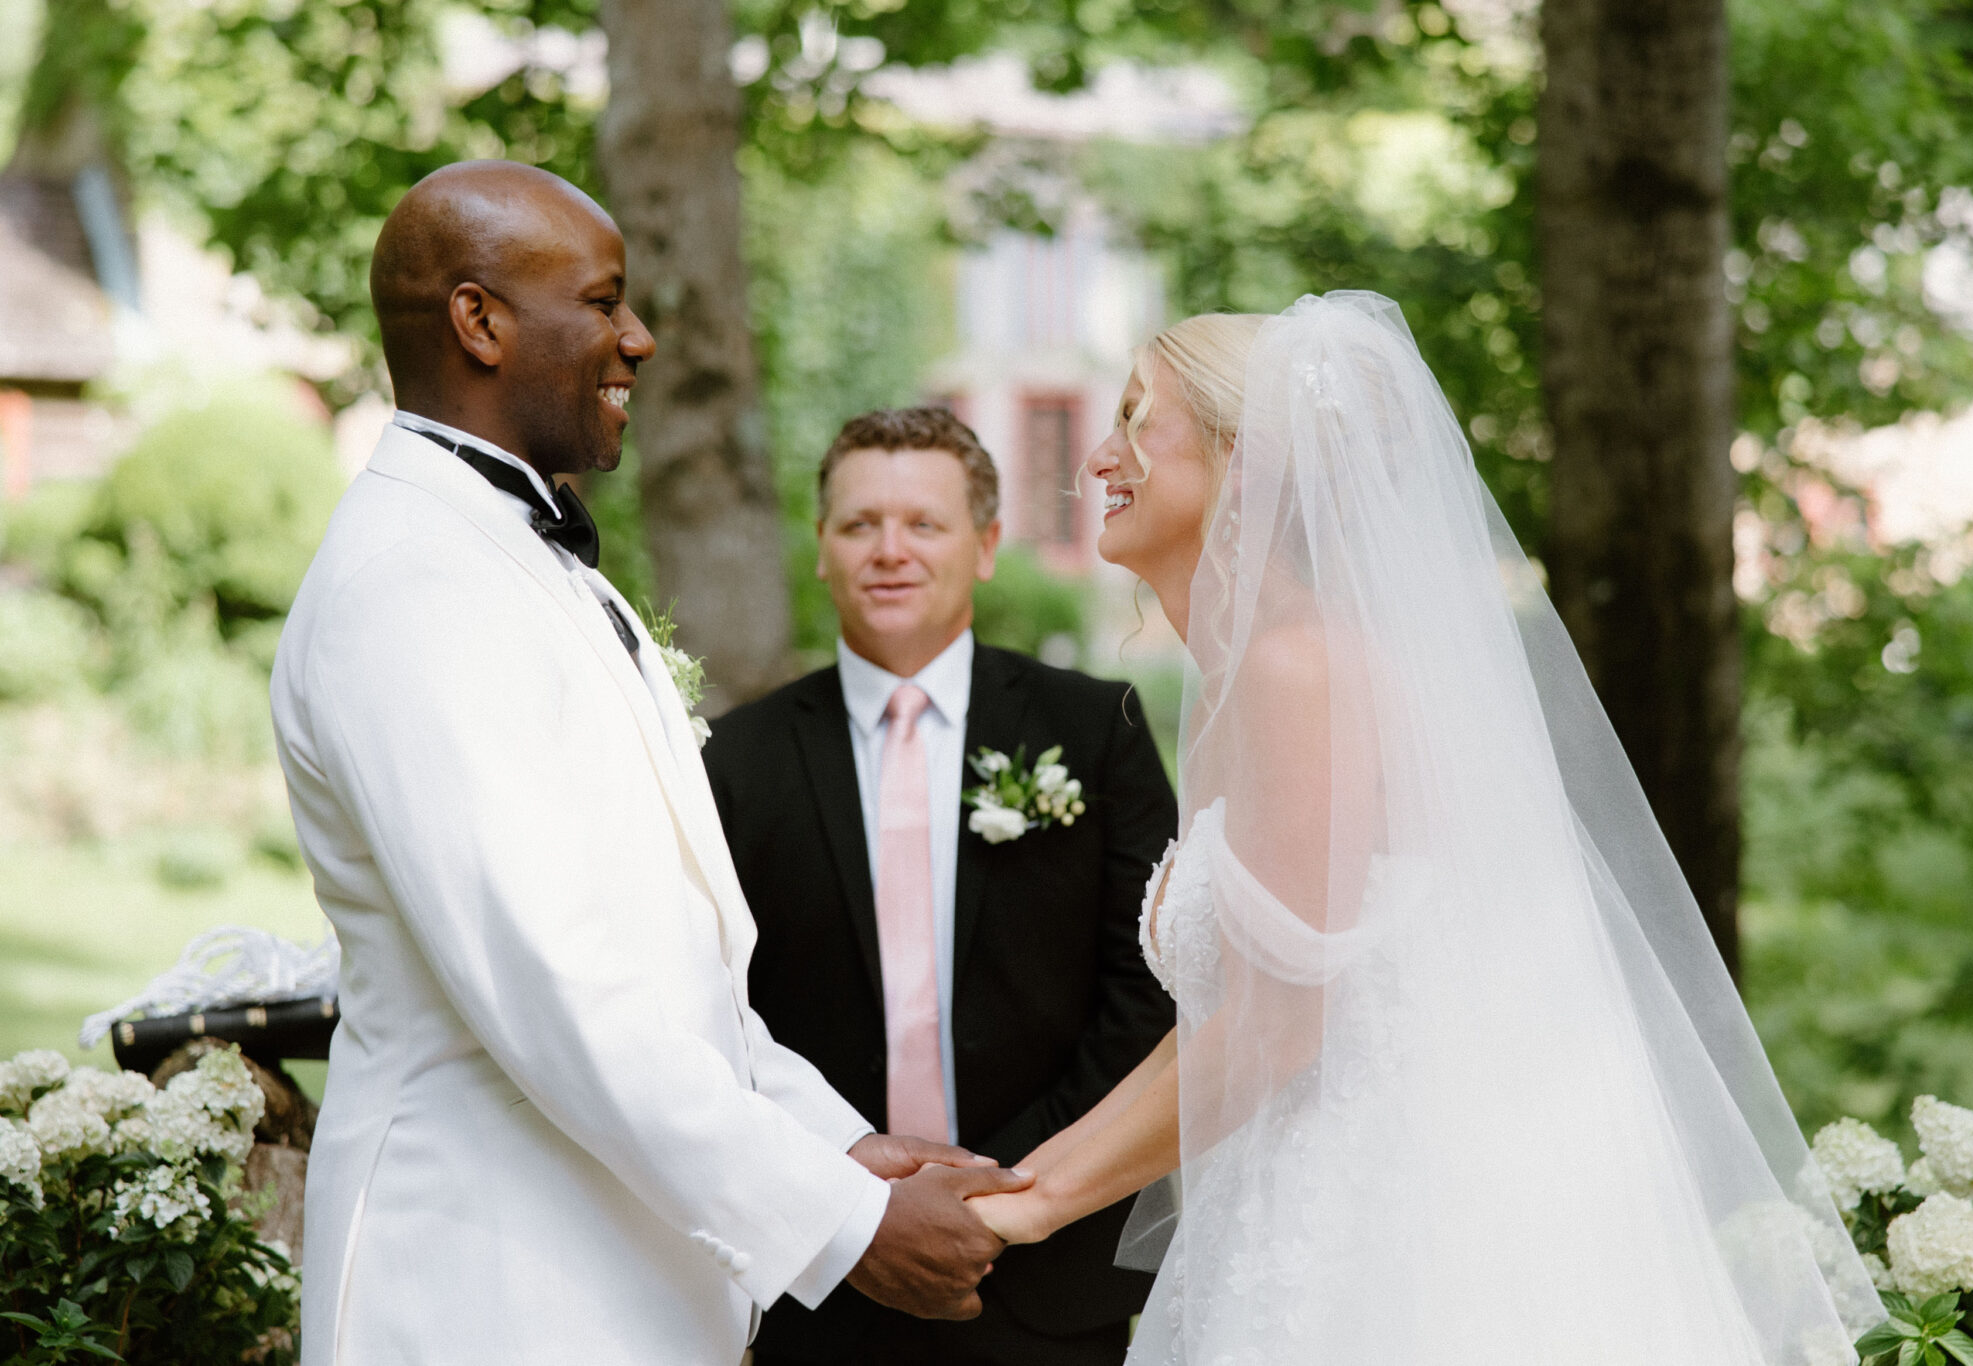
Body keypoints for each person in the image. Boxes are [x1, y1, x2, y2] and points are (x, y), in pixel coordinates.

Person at [966, 293, 1883, 1364]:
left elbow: (1277, 1027)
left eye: (1135, 419)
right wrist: (1026, 1179)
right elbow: (1239, 1008)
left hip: (1380, 1234)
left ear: (1243, 459)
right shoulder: (1268, 665)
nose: (1100, 458)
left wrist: (1034, 1205)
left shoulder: (1297, 667)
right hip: (1296, 1203)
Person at [270, 162, 1029, 1366]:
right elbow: (553, 984)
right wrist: (840, 1223)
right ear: (480, 322)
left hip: (615, 1277)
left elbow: (669, 962)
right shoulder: (408, 586)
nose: (641, 337)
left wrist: (830, 1145)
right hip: (489, 1288)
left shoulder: (516, 557)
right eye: (604, 300)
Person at [703, 407, 1178, 1366]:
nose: (890, 550)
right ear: (823, 549)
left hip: (1052, 1267)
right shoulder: (733, 759)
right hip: (826, 1269)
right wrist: (857, 1207)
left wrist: (1007, 1195)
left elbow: (1149, 991)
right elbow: (716, 1004)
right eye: (859, 524)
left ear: (988, 544)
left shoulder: (1096, 728)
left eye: (924, 524)